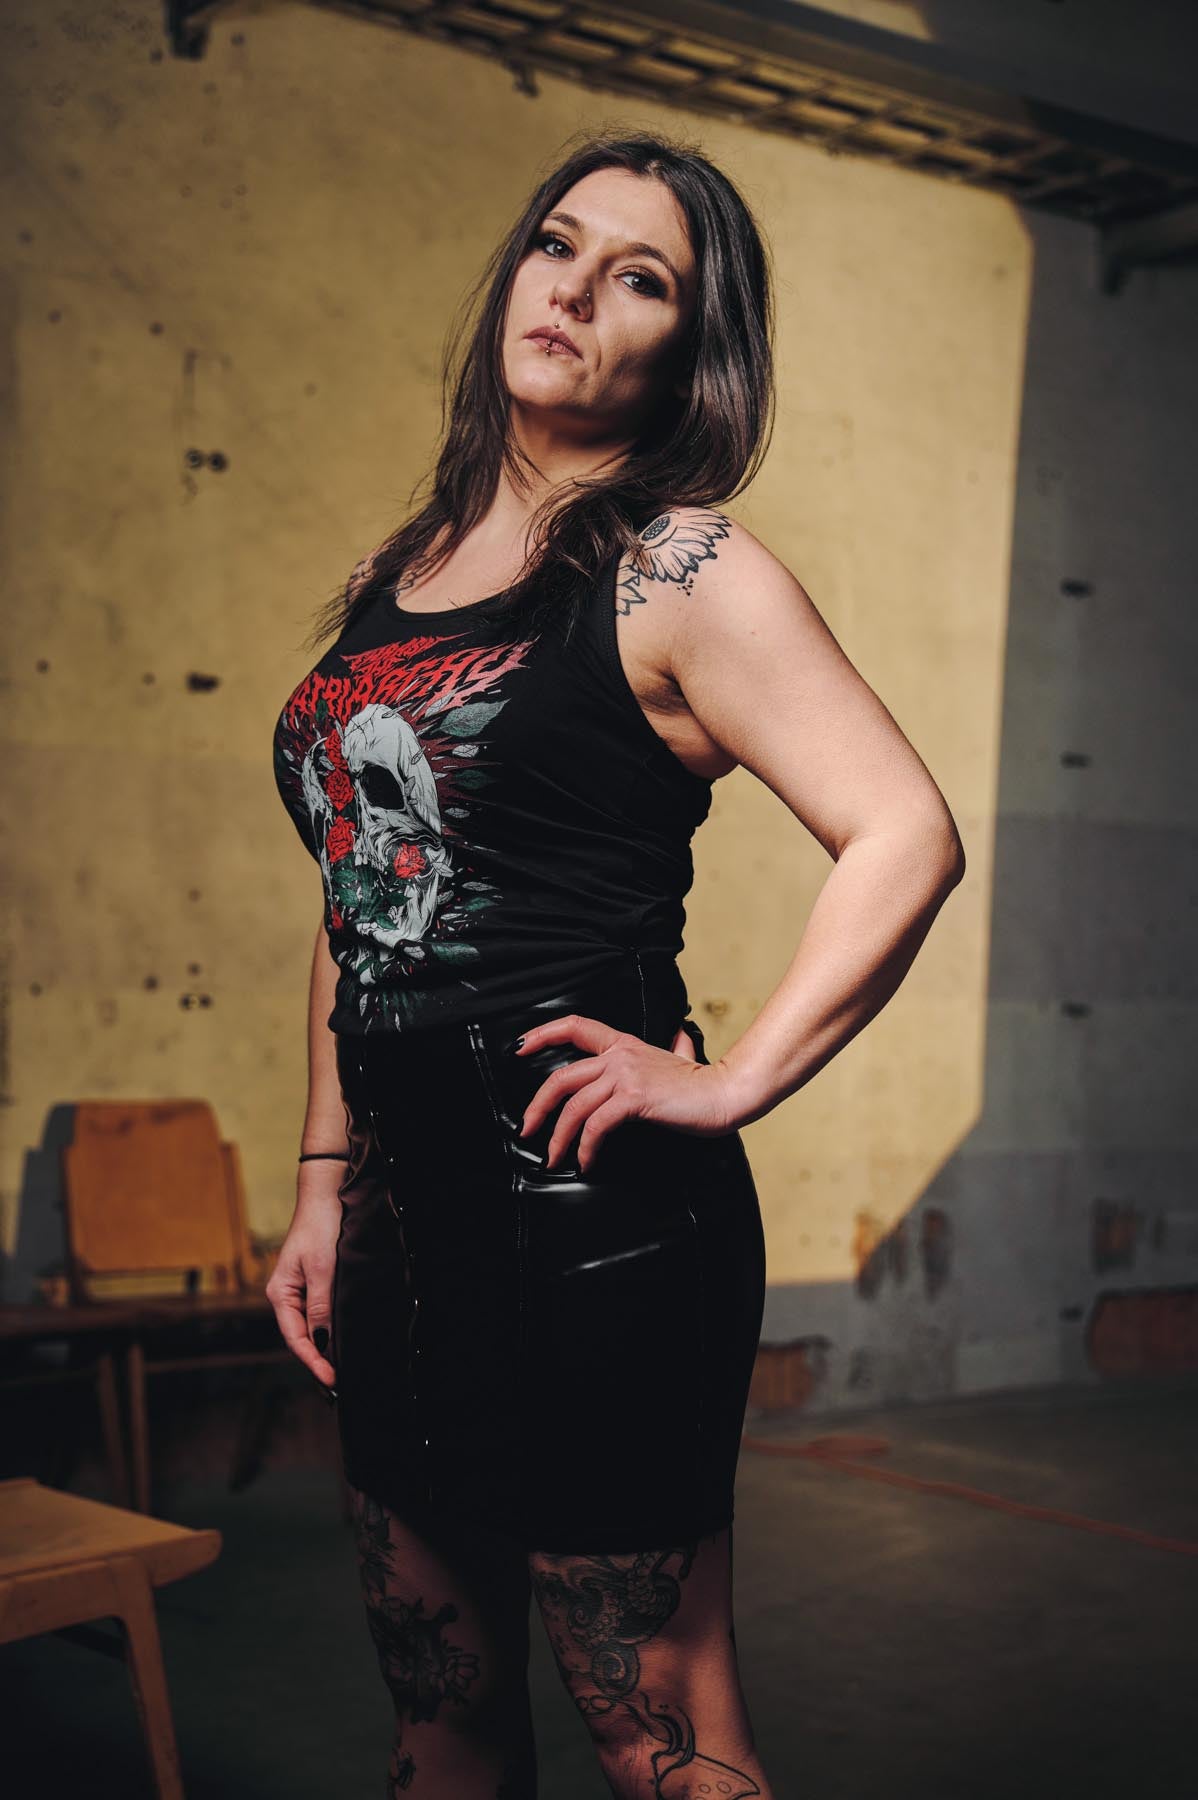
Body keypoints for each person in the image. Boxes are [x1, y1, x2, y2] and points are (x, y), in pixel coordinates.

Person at [268, 127, 965, 1800]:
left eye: (636, 276)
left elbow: (904, 831)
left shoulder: (677, 568)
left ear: (685, 350)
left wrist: (734, 1080)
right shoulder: (392, 577)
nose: (575, 290)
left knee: (654, 1727)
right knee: (438, 1707)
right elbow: (357, 898)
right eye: (556, 245)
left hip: (594, 1212)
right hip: (402, 1223)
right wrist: (321, 1185)